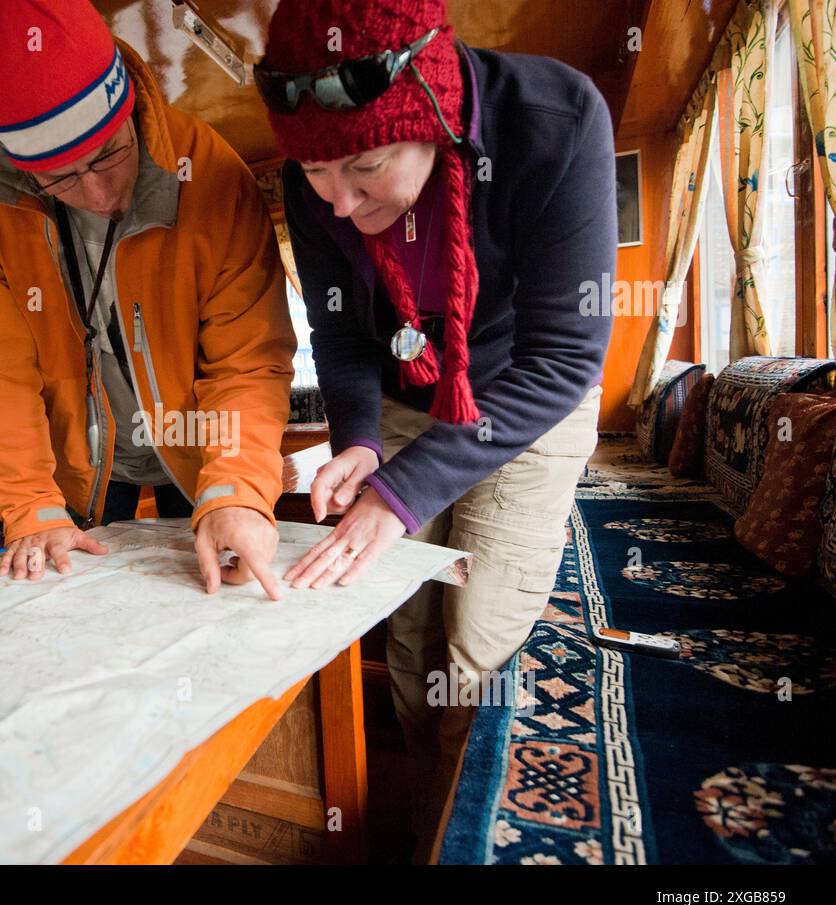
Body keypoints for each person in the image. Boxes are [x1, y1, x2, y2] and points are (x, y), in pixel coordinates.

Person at [258, 0, 615, 858]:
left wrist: (402, 492)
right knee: (410, 629)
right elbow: (339, 332)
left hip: (528, 391)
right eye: (314, 173)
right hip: (411, 389)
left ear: (432, 117)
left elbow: (564, 361)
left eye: (366, 167)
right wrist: (361, 442)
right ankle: (436, 816)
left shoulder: (557, 122)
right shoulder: (317, 186)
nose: (337, 204)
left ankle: (466, 839)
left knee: (476, 630)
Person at [0, 0, 296, 598]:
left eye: (109, 154)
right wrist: (28, 504)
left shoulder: (209, 172)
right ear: (17, 167)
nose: (100, 195)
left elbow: (248, 359)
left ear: (125, 102)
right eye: (61, 178)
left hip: (203, 444)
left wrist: (235, 488)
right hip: (77, 464)